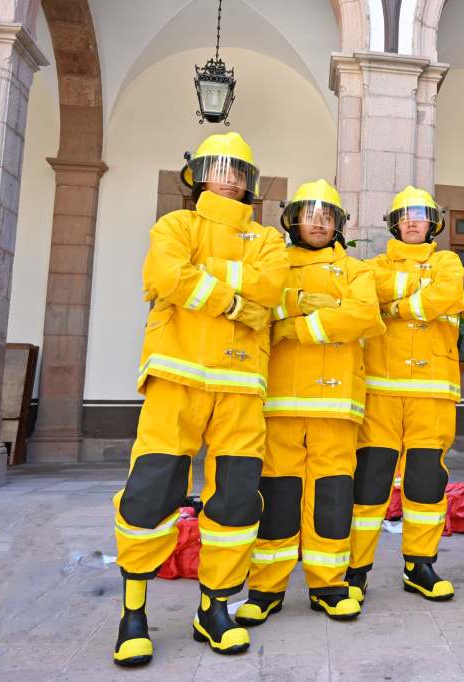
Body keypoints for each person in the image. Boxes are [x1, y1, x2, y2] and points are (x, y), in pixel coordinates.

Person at [112, 132, 288, 666]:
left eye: (239, 170)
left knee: (235, 500)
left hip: (240, 387)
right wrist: (237, 302)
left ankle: (214, 608)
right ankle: (133, 613)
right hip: (178, 375)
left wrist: (208, 280)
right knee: (151, 489)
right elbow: (164, 273)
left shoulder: (268, 240)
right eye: (220, 167)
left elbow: (272, 289)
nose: (230, 177)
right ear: (200, 174)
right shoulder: (176, 225)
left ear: (251, 182)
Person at [234, 179, 383, 624]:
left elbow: (362, 316)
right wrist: (305, 302)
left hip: (337, 403)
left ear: (339, 224)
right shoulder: (272, 262)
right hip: (278, 400)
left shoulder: (357, 270)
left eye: (328, 215)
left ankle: (329, 584)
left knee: (333, 494)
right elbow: (262, 304)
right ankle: (266, 588)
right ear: (292, 219)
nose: (318, 222)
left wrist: (296, 323)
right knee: (277, 494)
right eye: (310, 213)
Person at [346, 186, 464, 602]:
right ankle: (356, 568)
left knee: (426, 482)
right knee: (369, 482)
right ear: (394, 223)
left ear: (434, 222)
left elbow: (449, 294)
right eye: (405, 215)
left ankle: (420, 565)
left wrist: (396, 305)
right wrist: (420, 289)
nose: (413, 221)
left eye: (421, 214)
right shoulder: (373, 266)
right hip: (380, 389)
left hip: (432, 394)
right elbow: (370, 289)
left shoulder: (448, 261)